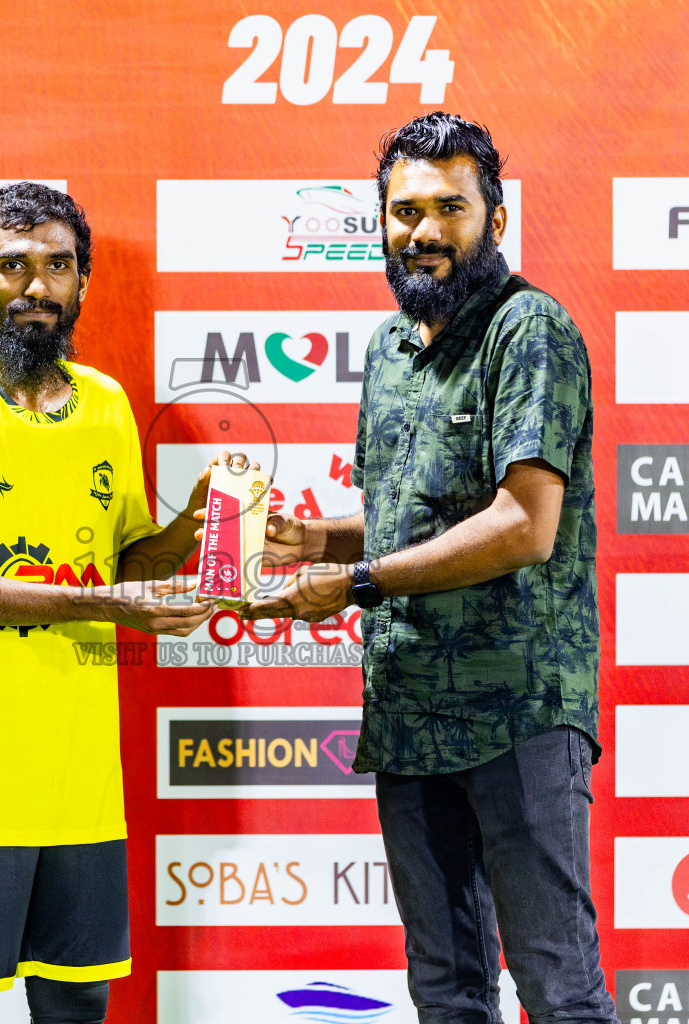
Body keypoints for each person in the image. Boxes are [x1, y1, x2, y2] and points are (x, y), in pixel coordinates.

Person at [244, 114, 616, 1023]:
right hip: (409, 713)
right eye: (404, 211)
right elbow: (404, 513)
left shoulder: (529, 329)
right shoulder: (389, 348)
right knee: (445, 992)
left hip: (518, 712)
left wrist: (361, 584)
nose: (425, 231)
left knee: (558, 987)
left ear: (494, 217)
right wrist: (316, 541)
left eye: (451, 207)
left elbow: (524, 524)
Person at [0, 182, 231, 1024]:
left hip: (79, 782)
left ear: (82, 284)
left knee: (77, 1003)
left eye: (57, 267)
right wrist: (113, 605)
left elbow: (129, 559)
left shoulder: (104, 405)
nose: (36, 286)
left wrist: (196, 520)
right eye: (13, 266)